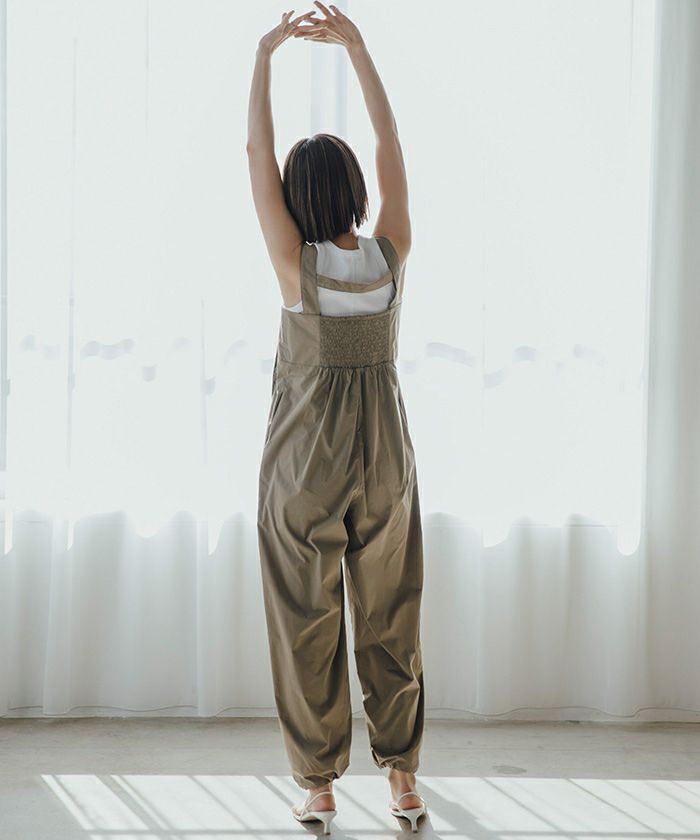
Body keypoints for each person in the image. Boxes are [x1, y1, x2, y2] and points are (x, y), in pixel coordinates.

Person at [247, 3, 427, 833]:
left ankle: (318, 787)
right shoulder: (390, 255)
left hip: (304, 463)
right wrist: (357, 49)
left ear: (295, 197)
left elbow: (256, 152)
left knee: (305, 619)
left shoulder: (295, 265)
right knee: (391, 615)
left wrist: (264, 56)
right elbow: (391, 142)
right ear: (356, 192)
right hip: (385, 457)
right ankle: (403, 782)